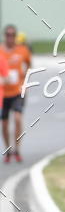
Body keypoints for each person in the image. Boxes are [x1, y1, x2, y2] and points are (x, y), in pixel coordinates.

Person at [0, 24, 32, 162]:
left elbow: (29, 65)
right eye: (8, 35)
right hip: (3, 93)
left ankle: (17, 149)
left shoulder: (23, 50)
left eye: (12, 35)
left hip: (17, 90)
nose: (10, 37)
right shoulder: (0, 51)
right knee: (5, 124)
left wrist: (26, 79)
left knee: (18, 118)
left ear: (16, 36)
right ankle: (8, 150)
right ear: (4, 36)